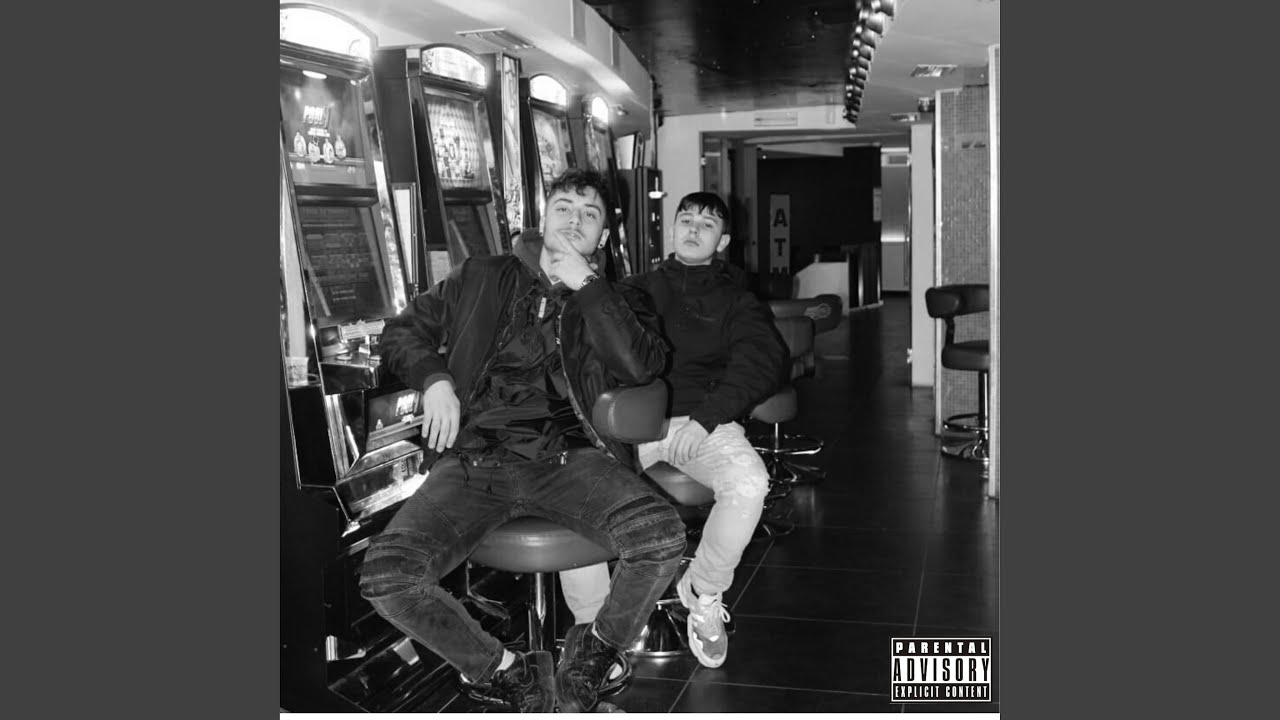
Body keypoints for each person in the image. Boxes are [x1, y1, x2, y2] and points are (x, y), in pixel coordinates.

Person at [359, 168, 686, 713]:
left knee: (660, 535)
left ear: (605, 235)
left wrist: (589, 287)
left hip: (568, 460)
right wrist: (434, 379)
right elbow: (403, 330)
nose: (574, 221)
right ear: (543, 217)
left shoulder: (621, 298)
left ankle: (593, 655)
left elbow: (640, 366)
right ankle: (507, 671)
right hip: (472, 463)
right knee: (386, 576)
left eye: (589, 214)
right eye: (564, 208)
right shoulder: (481, 275)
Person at [559, 191, 787, 669]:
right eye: (686, 219)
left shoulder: (738, 300)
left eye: (707, 224)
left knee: (750, 483)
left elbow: (764, 362)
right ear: (671, 228)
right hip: (628, 424)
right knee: (575, 490)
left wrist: (705, 419)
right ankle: (596, 635)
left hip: (702, 421)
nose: (693, 229)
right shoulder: (634, 289)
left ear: (722, 241)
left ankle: (703, 592)